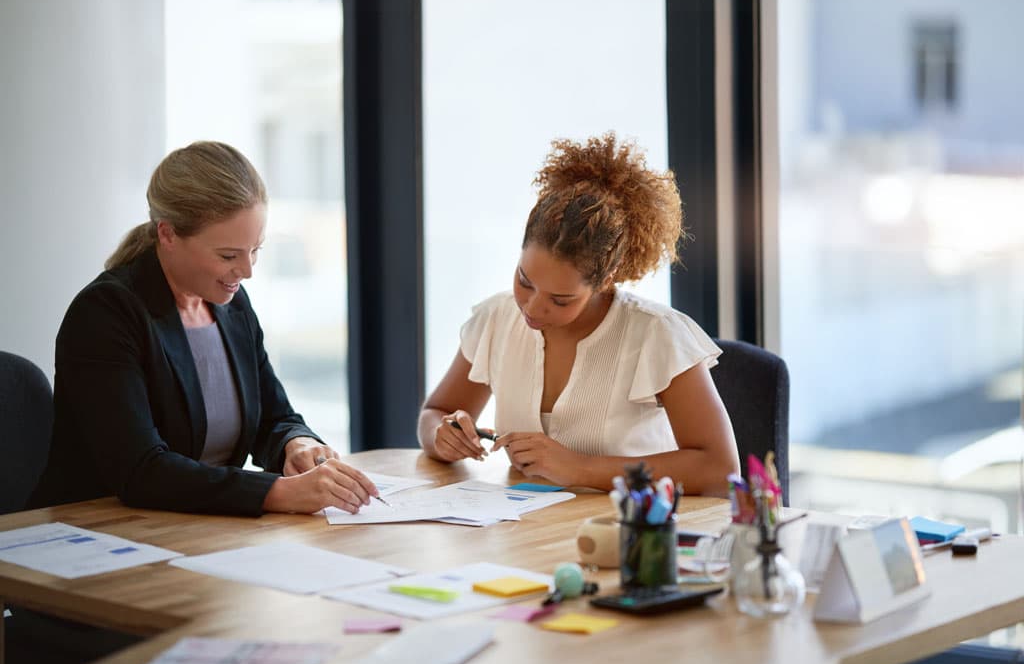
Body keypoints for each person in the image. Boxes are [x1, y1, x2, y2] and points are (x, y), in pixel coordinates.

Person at [29, 141, 378, 516]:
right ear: (167, 234)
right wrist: (279, 493)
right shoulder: (105, 313)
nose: (247, 271)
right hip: (100, 530)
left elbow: (274, 418)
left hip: (199, 529)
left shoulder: (231, 304)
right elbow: (141, 471)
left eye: (255, 250)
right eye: (228, 255)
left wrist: (297, 444)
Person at [418, 133, 740, 493]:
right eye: (524, 280)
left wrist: (580, 468)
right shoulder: (496, 319)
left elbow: (719, 468)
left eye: (560, 299)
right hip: (525, 523)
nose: (532, 307)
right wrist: (442, 437)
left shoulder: (657, 335)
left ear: (606, 280)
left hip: (627, 524)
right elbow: (435, 412)